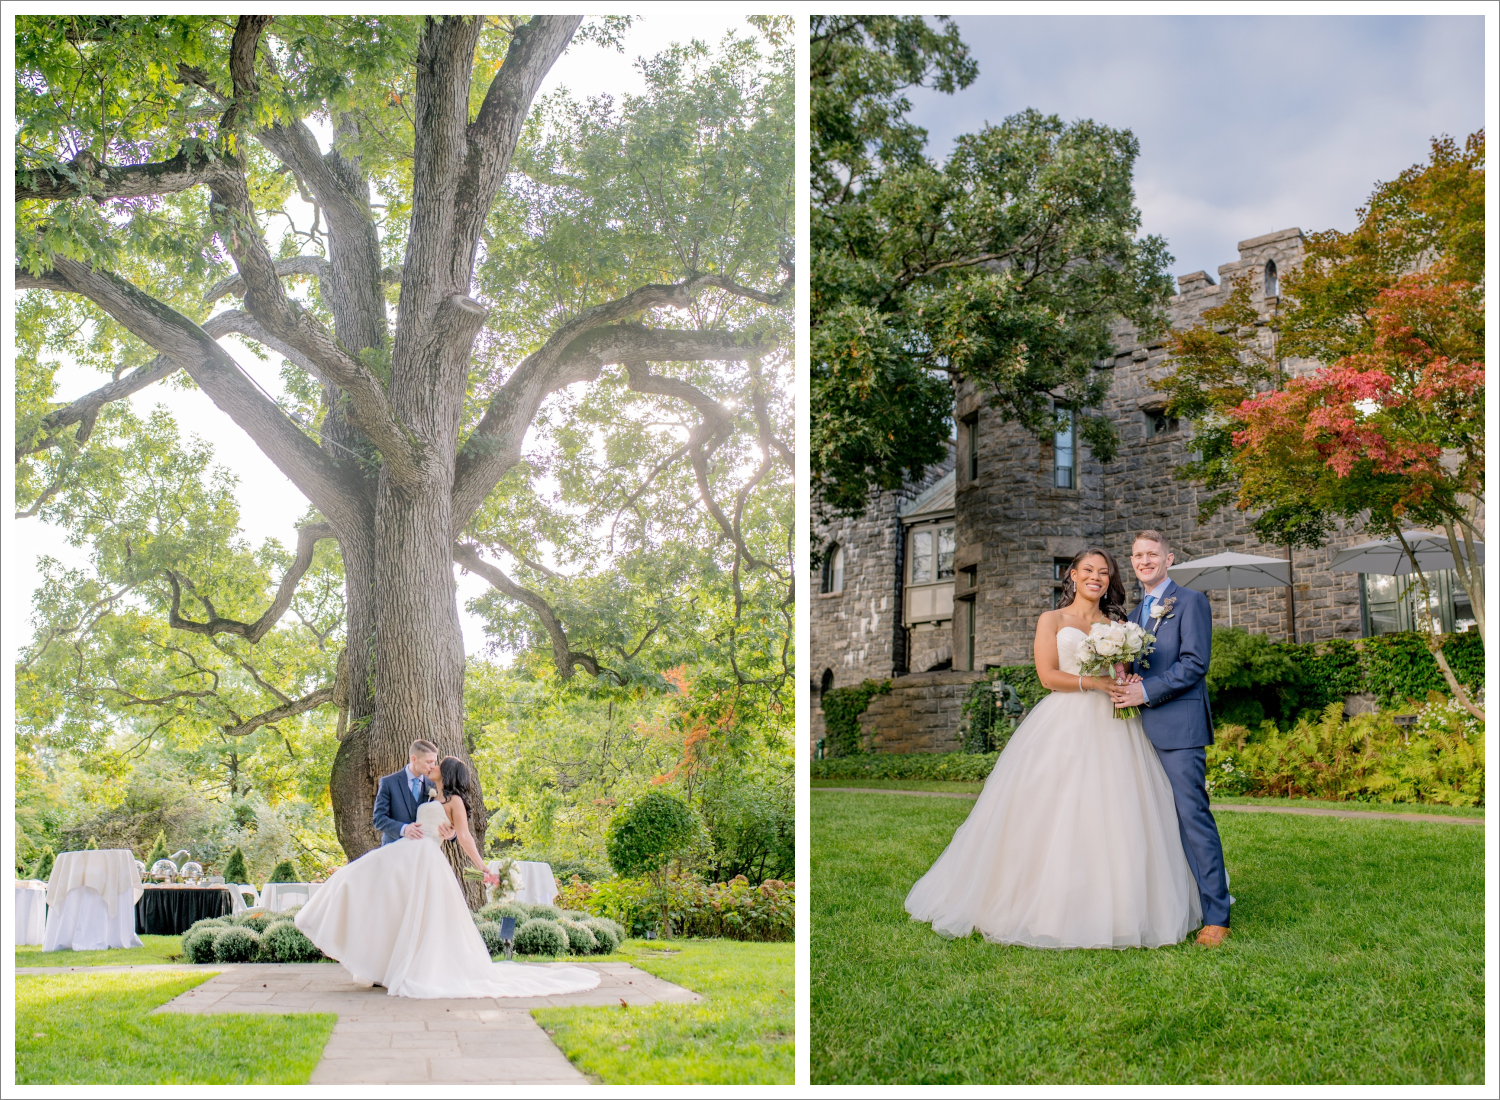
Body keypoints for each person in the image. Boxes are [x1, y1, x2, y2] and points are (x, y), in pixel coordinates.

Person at [904, 547, 1201, 949]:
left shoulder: (1120, 622)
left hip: (1116, 726)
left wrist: (1122, 675)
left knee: (1119, 811)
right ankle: (1037, 902)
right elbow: (1047, 676)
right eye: (1088, 570)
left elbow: (1125, 672)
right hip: (1064, 721)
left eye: (1104, 572)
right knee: (1051, 810)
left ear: (1109, 581)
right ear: (1073, 576)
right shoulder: (1052, 619)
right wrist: (1093, 683)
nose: (1096, 577)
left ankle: (1118, 905)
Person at [297, 755, 600, 998]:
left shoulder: (454, 802)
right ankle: (379, 959)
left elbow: (464, 836)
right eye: (432, 762)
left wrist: (483, 867)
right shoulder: (430, 797)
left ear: (448, 773)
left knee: (424, 914)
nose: (434, 766)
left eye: (438, 765)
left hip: (427, 859)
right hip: (408, 853)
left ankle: (420, 968)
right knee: (358, 878)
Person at [1109, 530, 1233, 946]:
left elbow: (1195, 664)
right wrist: (1124, 676)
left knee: (1190, 816)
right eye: (1137, 555)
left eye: (1152, 554)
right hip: (1136, 730)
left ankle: (1218, 915)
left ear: (1169, 558)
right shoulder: (1133, 614)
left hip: (1178, 728)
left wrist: (1145, 690)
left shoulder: (1191, 602)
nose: (1144, 561)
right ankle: (1174, 904)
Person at [372, 740, 455, 846]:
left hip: (424, 850)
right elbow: (378, 819)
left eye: (434, 762)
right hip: (394, 849)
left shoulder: (435, 785)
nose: (433, 766)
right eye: (429, 762)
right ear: (414, 759)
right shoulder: (389, 782)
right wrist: (404, 829)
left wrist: (452, 834)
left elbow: (448, 812)